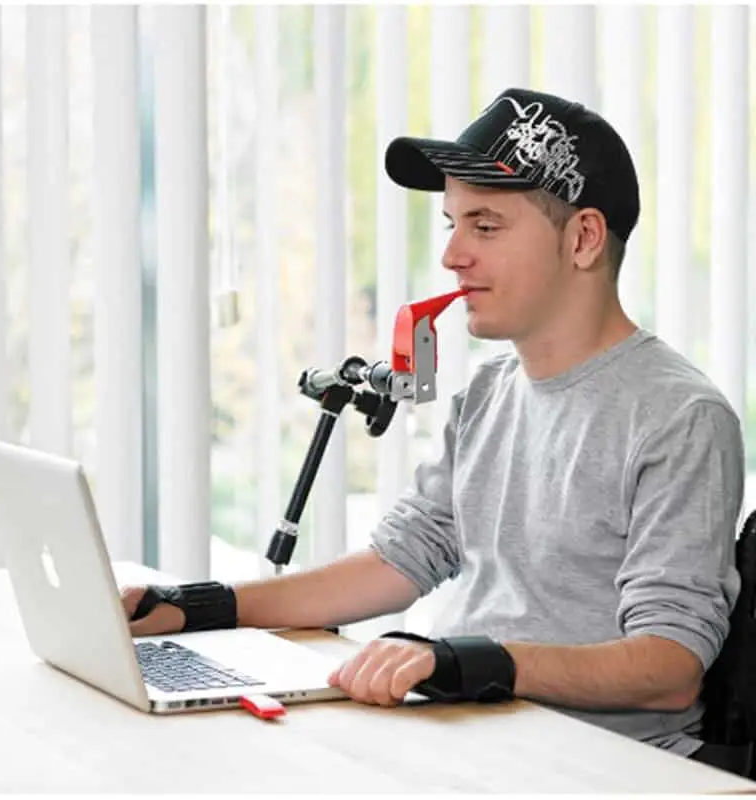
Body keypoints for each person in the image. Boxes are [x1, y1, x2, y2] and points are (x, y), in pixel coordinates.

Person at [121, 88, 745, 759]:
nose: (452, 256)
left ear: (584, 239)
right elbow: (399, 561)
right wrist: (198, 606)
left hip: (595, 766)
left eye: (485, 226)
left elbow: (668, 669)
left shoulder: (678, 418)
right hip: (472, 737)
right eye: (452, 224)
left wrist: (464, 661)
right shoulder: (488, 393)